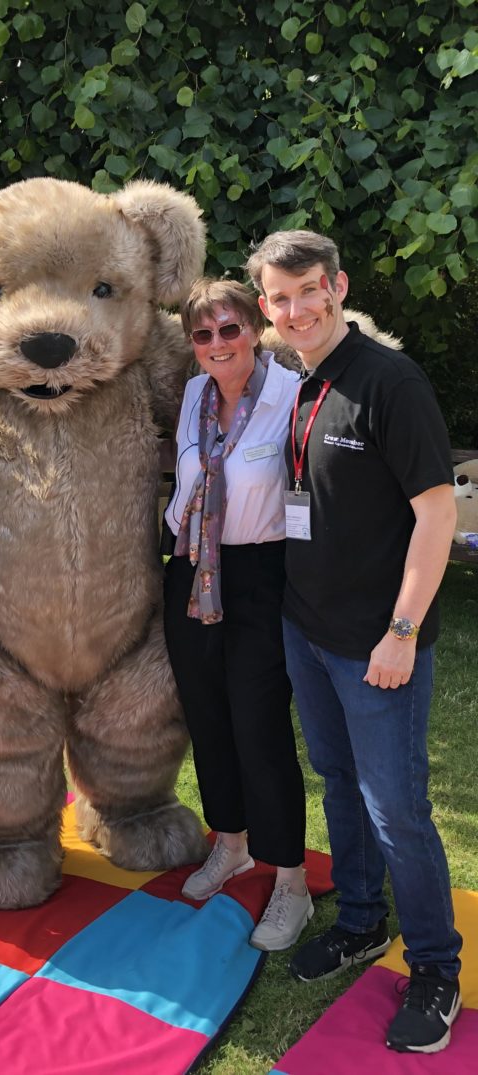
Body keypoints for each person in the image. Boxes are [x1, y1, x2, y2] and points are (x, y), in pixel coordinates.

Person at [247, 231, 462, 1054]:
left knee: (397, 808)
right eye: (280, 297)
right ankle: (365, 920)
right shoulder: (302, 381)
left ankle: (437, 968)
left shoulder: (390, 382)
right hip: (309, 630)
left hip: (379, 644)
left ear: (337, 285)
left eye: (308, 290)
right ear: (267, 306)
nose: (296, 308)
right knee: (338, 782)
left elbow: (437, 515)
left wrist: (403, 631)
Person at [162, 278, 311, 952]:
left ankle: (291, 878)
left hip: (257, 575)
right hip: (191, 570)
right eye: (203, 334)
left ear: (254, 327)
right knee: (208, 715)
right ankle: (232, 841)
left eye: (229, 329)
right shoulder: (194, 395)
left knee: (259, 723)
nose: (218, 345)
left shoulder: (290, 392)